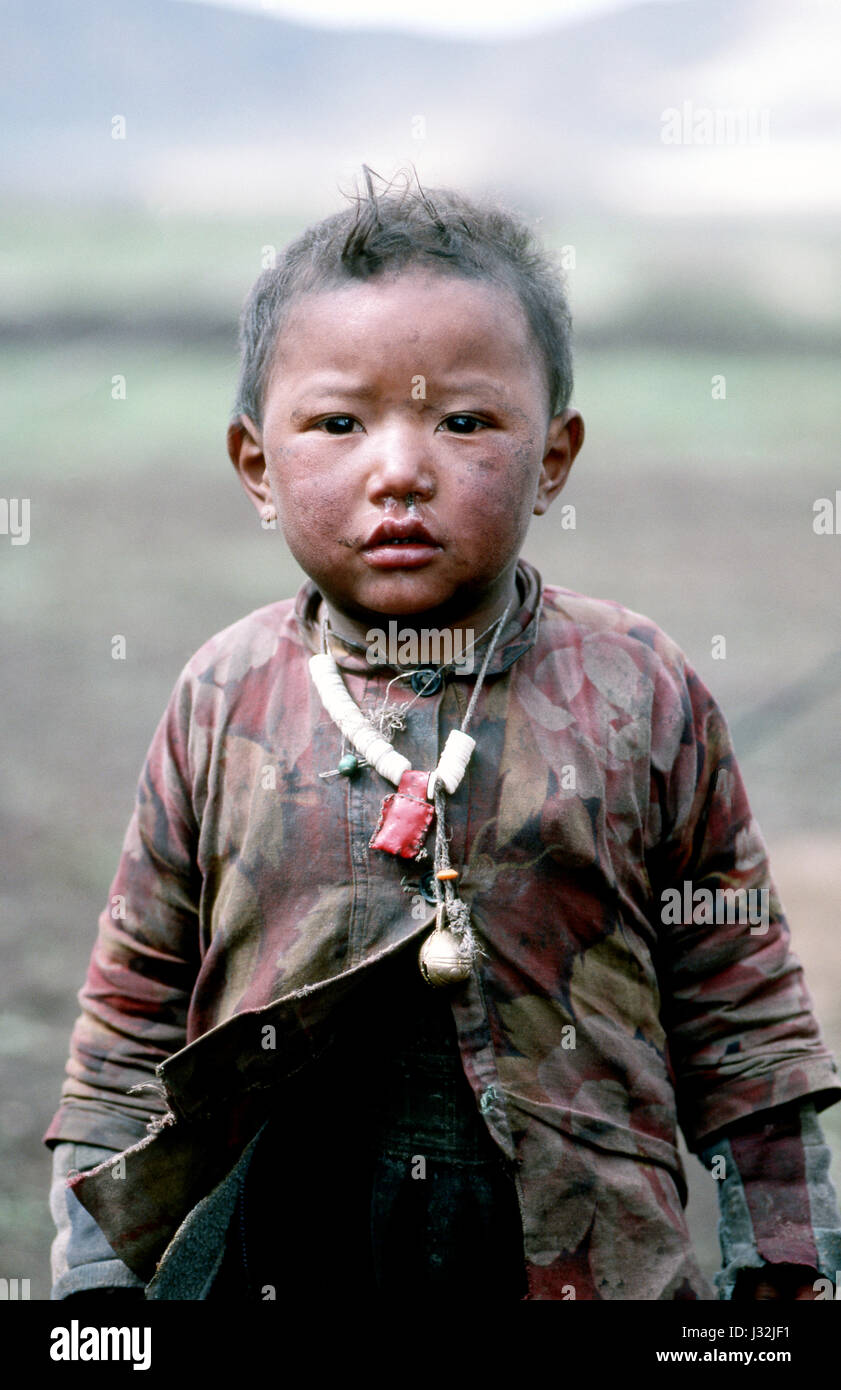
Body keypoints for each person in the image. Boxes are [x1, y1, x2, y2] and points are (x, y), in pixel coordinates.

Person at [45, 168, 841, 1302]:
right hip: (279, 1267)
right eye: (338, 423)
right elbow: (130, 1017)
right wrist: (93, 1284)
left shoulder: (639, 686)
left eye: (465, 421)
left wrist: (789, 1271)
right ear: (258, 468)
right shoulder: (224, 696)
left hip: (582, 1271)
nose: (402, 470)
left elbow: (742, 1007)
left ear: (552, 455)